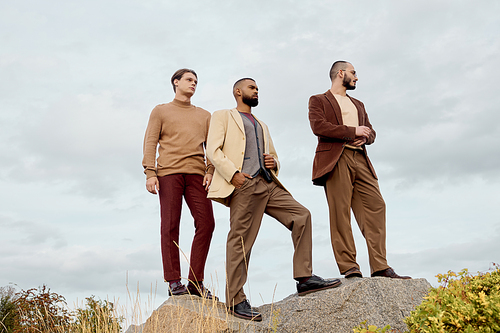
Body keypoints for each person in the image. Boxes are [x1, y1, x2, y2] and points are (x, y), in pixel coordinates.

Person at [206, 78, 341, 322]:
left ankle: (304, 277)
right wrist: (233, 175)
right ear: (238, 92)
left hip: (268, 184)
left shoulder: (262, 124)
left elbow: (275, 156)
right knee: (240, 239)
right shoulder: (223, 116)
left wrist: (274, 163)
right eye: (252, 88)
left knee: (302, 216)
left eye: (258, 88)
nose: (256, 91)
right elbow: (213, 150)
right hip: (244, 184)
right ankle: (235, 299)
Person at [308, 61, 410, 280]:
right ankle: (349, 266)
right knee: (340, 212)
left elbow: (371, 131)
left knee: (376, 206)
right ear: (340, 73)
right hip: (336, 158)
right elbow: (319, 127)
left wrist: (366, 135)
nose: (356, 77)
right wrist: (352, 130)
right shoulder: (318, 100)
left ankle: (380, 266)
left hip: (361, 157)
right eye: (353, 73)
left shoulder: (358, 104)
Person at [142, 68, 217, 300]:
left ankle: (195, 281)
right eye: (189, 80)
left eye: (196, 81)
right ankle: (174, 280)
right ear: (176, 82)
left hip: (196, 175)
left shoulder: (205, 115)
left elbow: (212, 147)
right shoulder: (161, 110)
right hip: (168, 174)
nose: (193, 84)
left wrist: (211, 170)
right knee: (170, 225)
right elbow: (150, 141)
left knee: (207, 223)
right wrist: (150, 172)